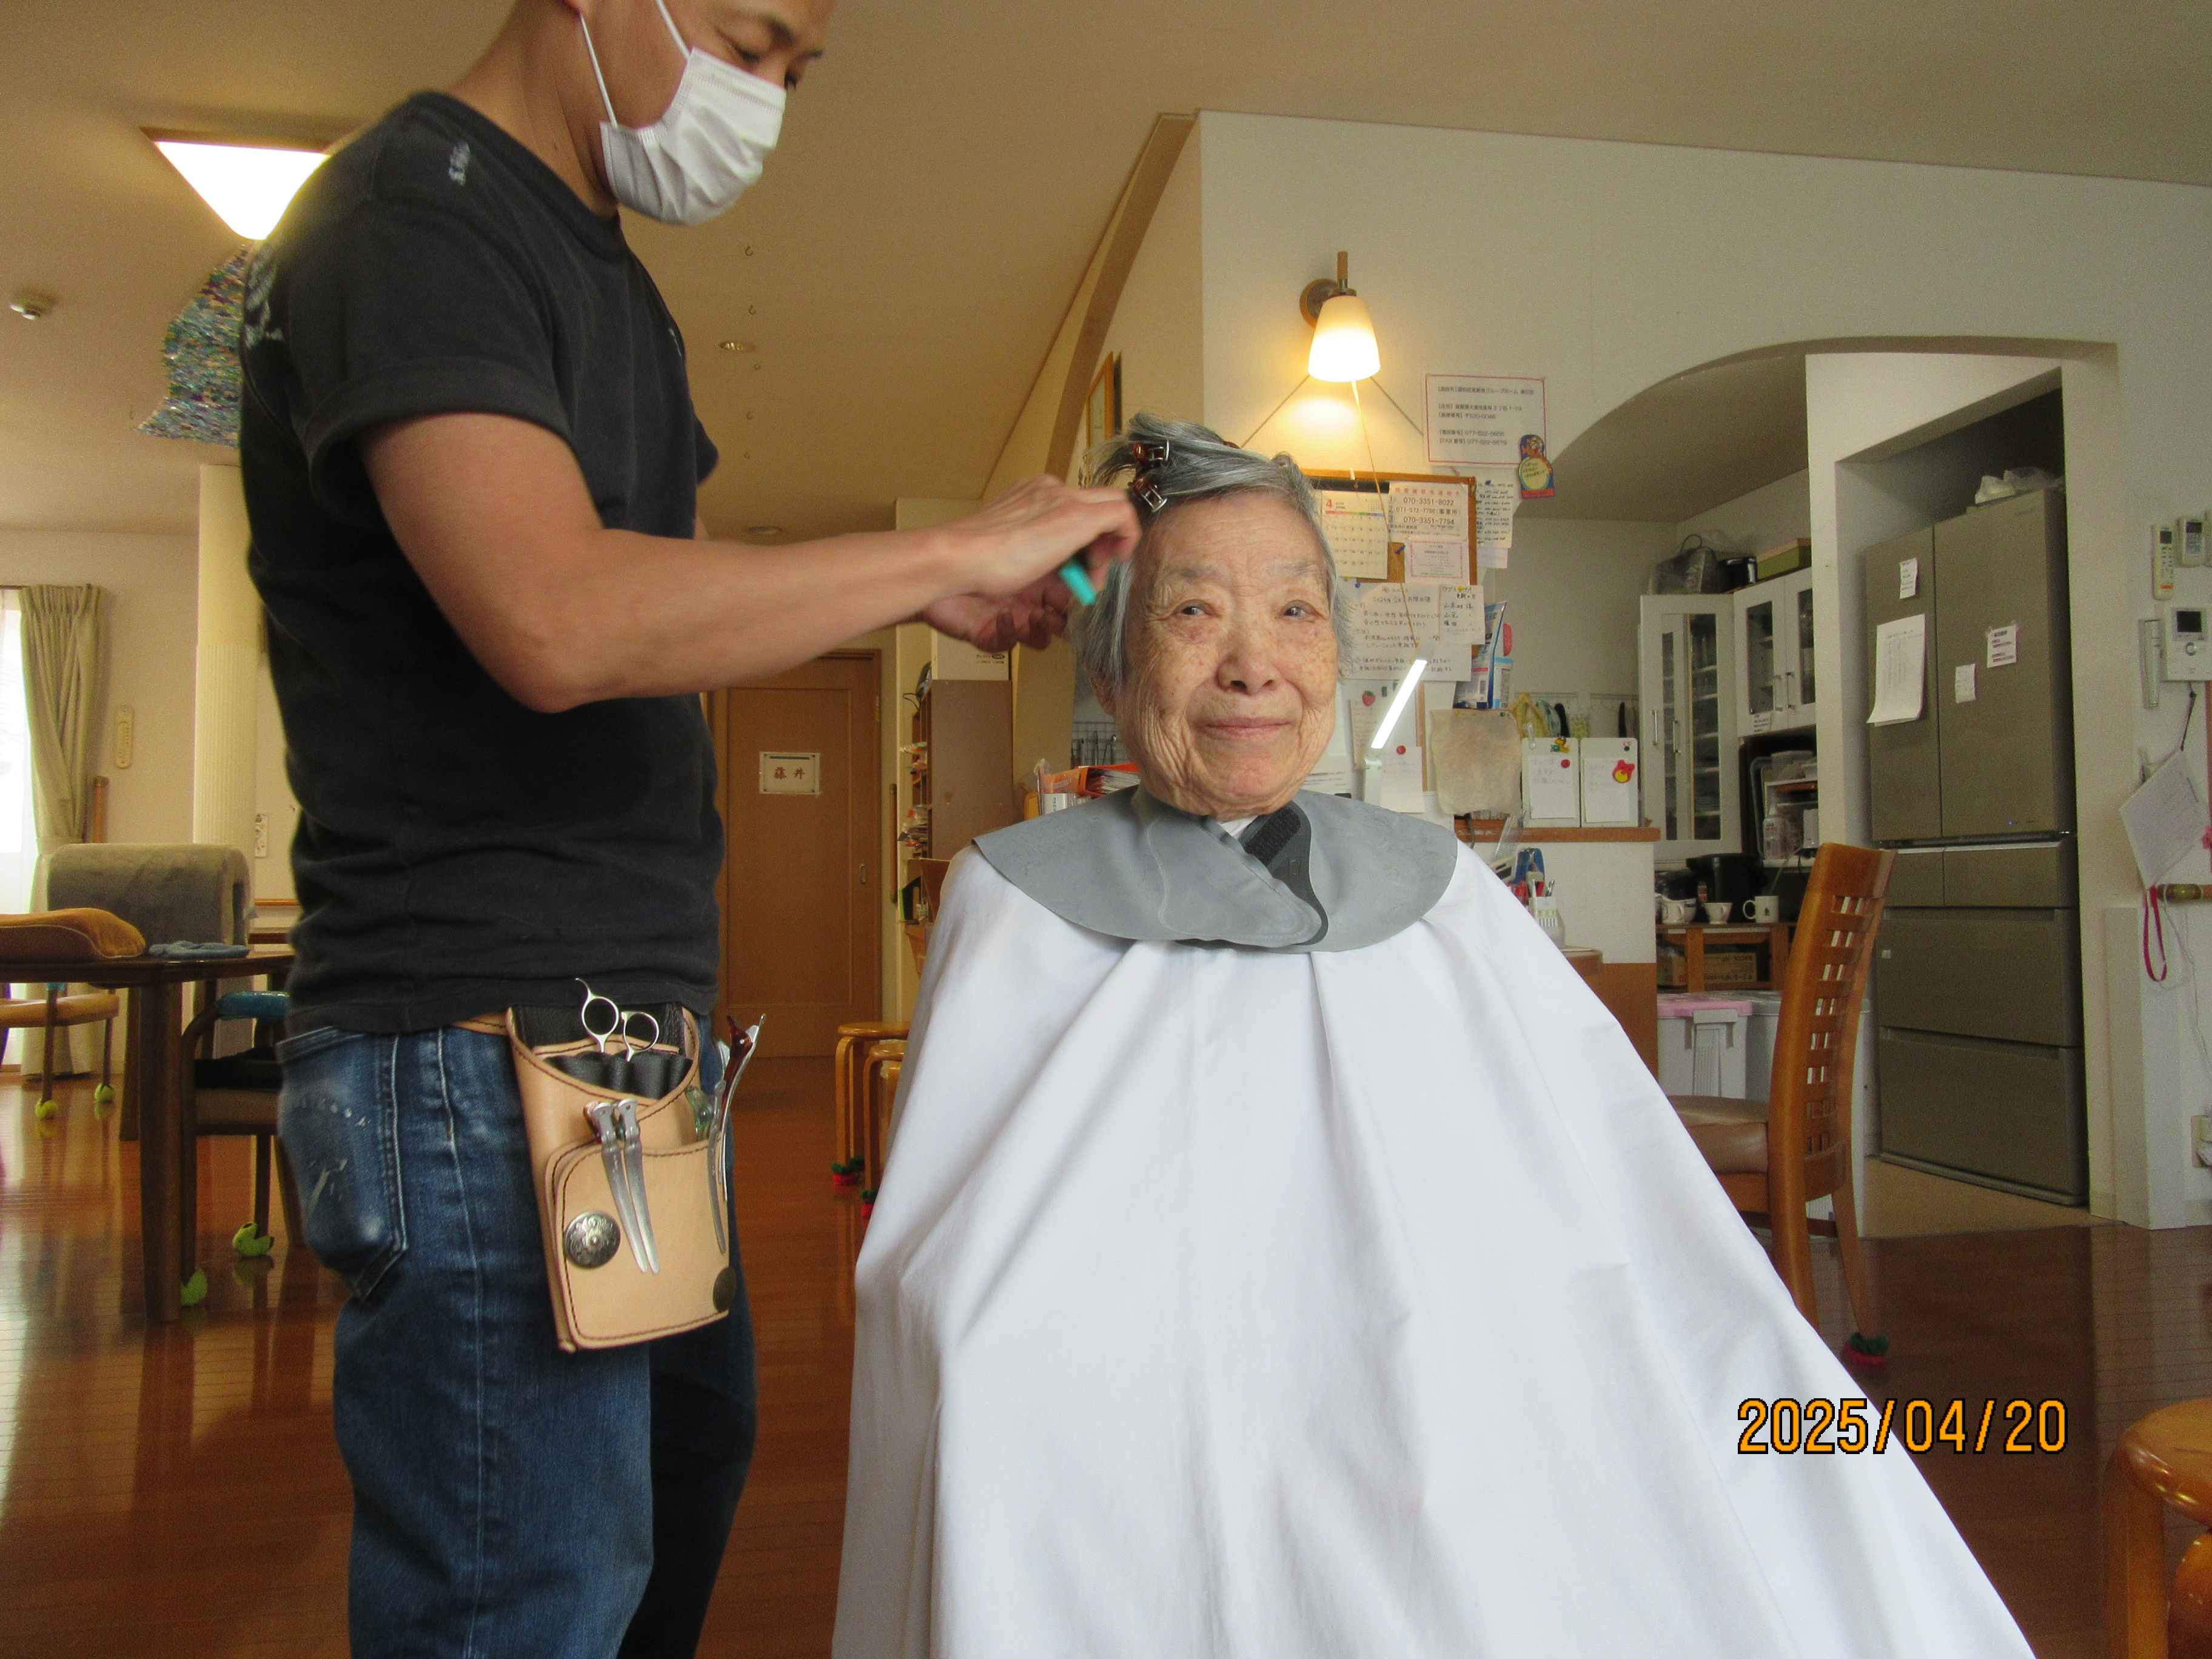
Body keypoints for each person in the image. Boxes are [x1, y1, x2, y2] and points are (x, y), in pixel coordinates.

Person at [833, 415, 2033, 1657]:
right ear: (1110, 668)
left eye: (1295, 612)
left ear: (1337, 655)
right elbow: (941, 1270)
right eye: (1194, 613)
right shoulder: (1014, 901)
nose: (1254, 665)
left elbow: (1616, 1201)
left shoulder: (1441, 889)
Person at [238, 0, 1137, 1651]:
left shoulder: (612, 286)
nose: (765, 101)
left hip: (612, 1047)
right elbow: (558, 619)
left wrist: (922, 602)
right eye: (749, 40)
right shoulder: (412, 214)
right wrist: (945, 549)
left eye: (796, 68)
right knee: (529, 1590)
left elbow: (661, 601)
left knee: (670, 1490)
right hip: (479, 1041)